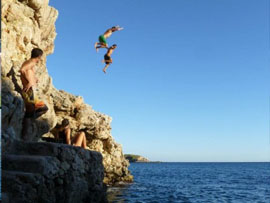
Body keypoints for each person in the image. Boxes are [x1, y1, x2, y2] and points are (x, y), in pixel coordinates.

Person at [20, 48, 48, 119]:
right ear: (39, 56)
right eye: (41, 57)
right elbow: (22, 70)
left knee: (42, 108)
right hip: (30, 90)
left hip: (32, 91)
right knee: (36, 109)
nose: (41, 59)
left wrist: (34, 78)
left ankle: (29, 118)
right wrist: (29, 81)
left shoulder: (30, 63)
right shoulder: (31, 62)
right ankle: (27, 120)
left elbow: (27, 71)